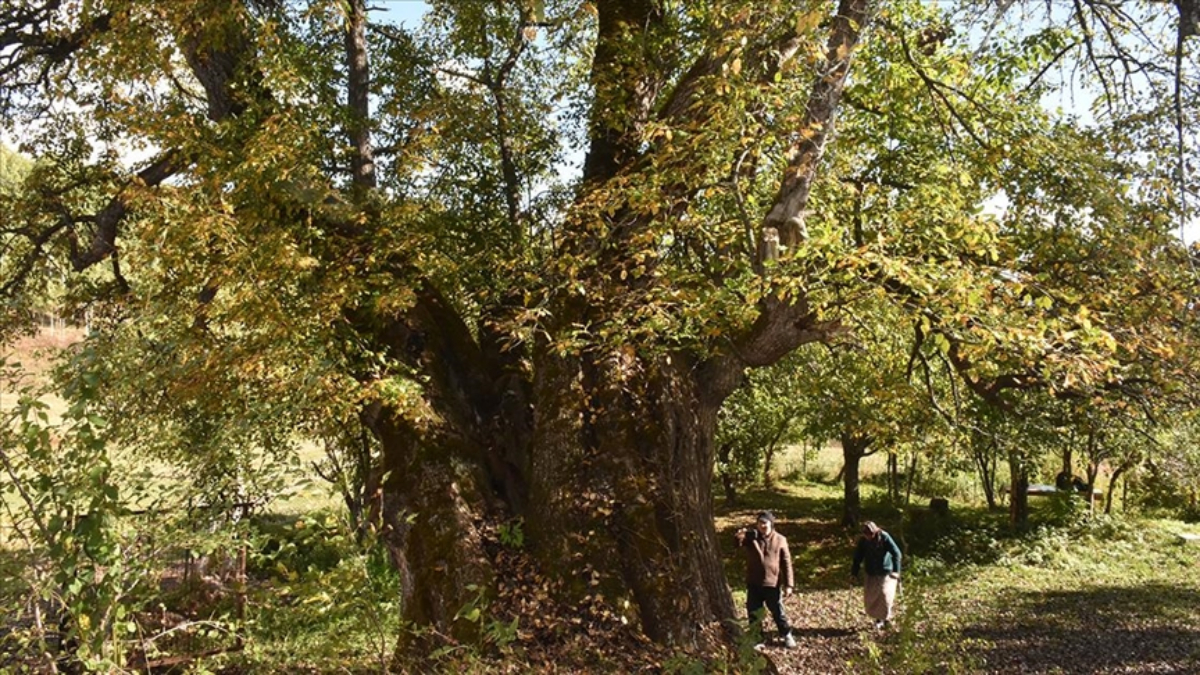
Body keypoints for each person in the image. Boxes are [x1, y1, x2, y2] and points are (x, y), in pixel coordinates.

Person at [735, 511, 796, 649]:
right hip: (754, 582)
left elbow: (786, 563)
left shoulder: (780, 539)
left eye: (765, 523)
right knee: (753, 612)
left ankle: (786, 634)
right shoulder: (752, 538)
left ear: (771, 524)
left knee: (778, 612)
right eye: (760, 523)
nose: (762, 526)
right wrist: (741, 534)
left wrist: (789, 585)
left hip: (772, 583)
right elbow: (737, 543)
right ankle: (757, 638)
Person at [851, 520, 902, 629]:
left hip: (885, 572)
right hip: (870, 571)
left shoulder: (884, 537)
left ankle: (884, 619)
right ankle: (879, 618)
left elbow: (896, 553)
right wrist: (854, 573)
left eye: (870, 534)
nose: (868, 537)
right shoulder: (863, 541)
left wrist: (896, 571)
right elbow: (857, 557)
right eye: (866, 534)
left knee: (884, 595)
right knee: (872, 597)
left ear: (875, 532)